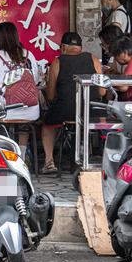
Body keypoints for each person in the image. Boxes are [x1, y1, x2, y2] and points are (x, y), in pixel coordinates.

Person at [43, 31, 102, 173]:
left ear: (63, 46)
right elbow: (102, 92)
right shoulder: (93, 59)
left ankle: (49, 162)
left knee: (46, 125)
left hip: (66, 110)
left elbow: (50, 96)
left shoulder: (58, 61)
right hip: (91, 110)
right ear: (80, 47)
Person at [0, 21, 43, 155]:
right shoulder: (28, 55)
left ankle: (5, 153)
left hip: (6, 111)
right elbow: (36, 81)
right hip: (31, 111)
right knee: (24, 124)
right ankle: (21, 155)